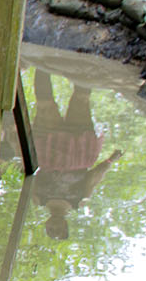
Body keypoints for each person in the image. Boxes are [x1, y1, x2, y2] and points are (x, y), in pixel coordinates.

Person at [29, 70, 121, 240]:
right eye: (59, 230)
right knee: (81, 100)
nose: (55, 227)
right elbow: (94, 177)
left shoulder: (38, 199)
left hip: (48, 151)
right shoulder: (79, 200)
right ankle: (85, 61)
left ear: (47, 225)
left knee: (44, 103)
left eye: (51, 230)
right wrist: (110, 160)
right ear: (65, 226)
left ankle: (40, 63)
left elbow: (28, 171)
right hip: (79, 151)